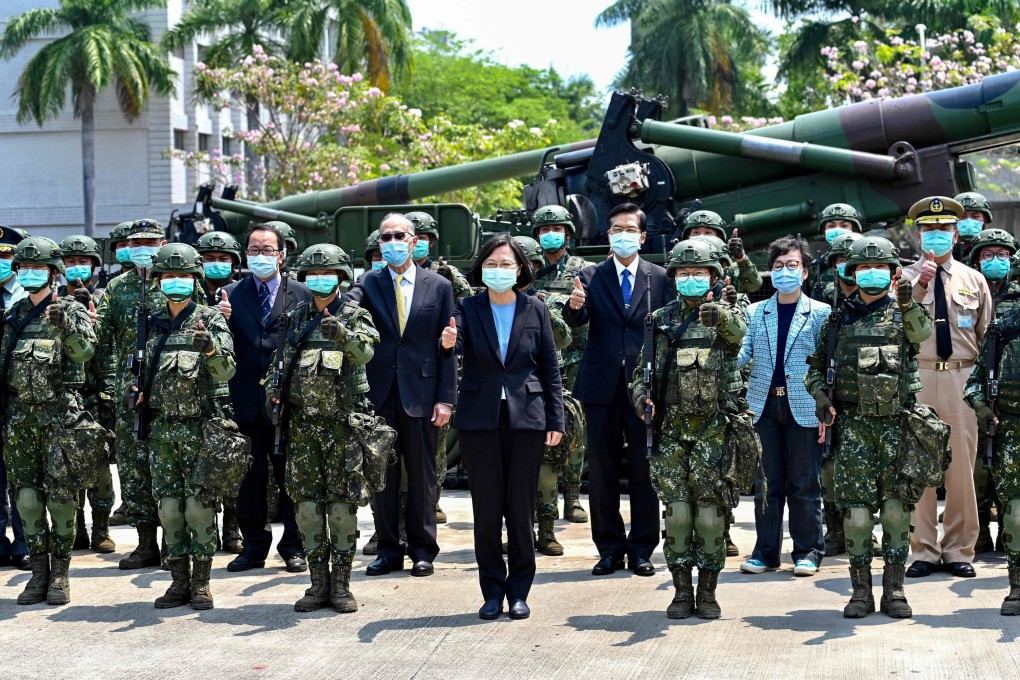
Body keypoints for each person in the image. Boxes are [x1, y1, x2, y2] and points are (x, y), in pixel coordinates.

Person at [806, 235, 937, 619]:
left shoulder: (905, 313)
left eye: (880, 267)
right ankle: (860, 592)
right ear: (853, 273)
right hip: (852, 430)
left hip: (897, 427)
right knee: (858, 517)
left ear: (894, 273)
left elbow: (921, 335)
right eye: (864, 267)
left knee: (897, 512)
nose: (872, 274)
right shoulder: (837, 320)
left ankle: (894, 590)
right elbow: (814, 369)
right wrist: (821, 398)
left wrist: (909, 301)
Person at [441, 233, 564, 620]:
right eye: (491, 264)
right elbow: (454, 345)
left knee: (521, 509)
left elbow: (550, 369)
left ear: (520, 269)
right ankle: (491, 591)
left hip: (527, 417)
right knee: (488, 511)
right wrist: (447, 343)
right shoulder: (467, 307)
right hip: (480, 420)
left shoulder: (535, 309)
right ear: (481, 268)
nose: (499, 270)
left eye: (506, 264)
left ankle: (519, 591)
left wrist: (555, 418)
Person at [630, 239, 748, 619]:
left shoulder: (726, 318)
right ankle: (682, 591)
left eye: (699, 273)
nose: (691, 279)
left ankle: (709, 592)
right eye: (684, 273)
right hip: (670, 433)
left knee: (710, 517)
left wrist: (722, 317)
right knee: (679, 515)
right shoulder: (659, 321)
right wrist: (640, 399)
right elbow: (639, 376)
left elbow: (739, 336)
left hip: (715, 431)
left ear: (713, 276)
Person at [344, 213, 457, 577]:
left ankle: (423, 550)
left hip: (423, 394)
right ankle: (389, 549)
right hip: (379, 395)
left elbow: (448, 346)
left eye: (399, 235)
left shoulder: (438, 286)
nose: (392, 241)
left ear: (413, 241)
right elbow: (346, 306)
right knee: (383, 477)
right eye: (385, 237)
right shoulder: (369, 282)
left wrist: (446, 398)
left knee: (423, 477)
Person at [127, 244, 236, 610]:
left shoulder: (209, 318)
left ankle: (202, 583)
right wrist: (135, 392)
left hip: (200, 430)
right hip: (161, 432)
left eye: (184, 276)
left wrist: (210, 350)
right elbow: (137, 373)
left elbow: (226, 372)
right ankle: (178, 581)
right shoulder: (150, 321)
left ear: (195, 279)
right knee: (170, 509)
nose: (177, 282)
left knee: (199, 508)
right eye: (169, 276)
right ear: (158, 281)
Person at [564, 202, 671, 577]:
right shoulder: (591, 275)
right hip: (600, 385)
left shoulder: (659, 277)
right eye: (615, 230)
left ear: (642, 236)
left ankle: (642, 548)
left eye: (629, 229)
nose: (621, 235)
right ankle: (608, 548)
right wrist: (574, 306)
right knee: (602, 470)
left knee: (644, 470)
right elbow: (576, 318)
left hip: (645, 387)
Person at [272, 244, 380, 613]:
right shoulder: (295, 316)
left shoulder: (355, 314)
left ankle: (342, 586)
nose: (320, 280)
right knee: (306, 510)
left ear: (341, 277)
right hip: (303, 428)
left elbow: (365, 353)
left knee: (340, 510)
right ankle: (318, 585)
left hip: (343, 427)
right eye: (314, 275)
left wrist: (343, 335)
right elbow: (280, 365)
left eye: (328, 274)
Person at [3, 237, 98, 605]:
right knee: (27, 499)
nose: (30, 274)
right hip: (20, 420)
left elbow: (85, 352)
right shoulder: (13, 317)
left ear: (54, 273)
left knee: (60, 499)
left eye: (37, 268)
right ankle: (37, 573)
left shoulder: (71, 310)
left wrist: (67, 328)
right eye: (24, 268)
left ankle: (60, 573)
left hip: (61, 418)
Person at [902, 196, 993, 579]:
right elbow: (900, 326)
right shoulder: (903, 278)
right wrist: (921, 284)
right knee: (917, 465)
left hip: (961, 376)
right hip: (918, 376)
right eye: (928, 230)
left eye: (943, 230)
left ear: (956, 235)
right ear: (918, 236)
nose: (936, 236)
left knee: (960, 470)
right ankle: (922, 549)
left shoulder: (974, 280)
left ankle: (959, 549)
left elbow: (986, 336)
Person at [738, 236, 830, 576]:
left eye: (792, 266)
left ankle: (808, 551)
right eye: (778, 266)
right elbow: (742, 355)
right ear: (770, 271)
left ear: (804, 273)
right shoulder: (754, 312)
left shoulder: (821, 313)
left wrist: (826, 409)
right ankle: (765, 553)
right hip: (763, 406)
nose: (785, 271)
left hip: (805, 406)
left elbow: (825, 364)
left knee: (805, 483)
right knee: (767, 483)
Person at [223, 222, 311, 574]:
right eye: (254, 250)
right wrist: (221, 321)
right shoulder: (231, 294)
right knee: (249, 480)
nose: (261, 256)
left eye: (268, 250)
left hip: (286, 400)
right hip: (243, 399)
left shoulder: (302, 294)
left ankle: (293, 546)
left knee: (291, 477)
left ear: (282, 254)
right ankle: (254, 547)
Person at [95, 218, 172, 570]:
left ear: (163, 243)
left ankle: (174, 541)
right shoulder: (117, 287)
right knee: (133, 468)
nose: (143, 248)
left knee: (170, 467)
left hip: (171, 389)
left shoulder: (176, 281)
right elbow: (102, 333)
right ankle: (145, 543)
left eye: (150, 242)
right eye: (136, 242)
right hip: (129, 389)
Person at [514, 235, 582, 556]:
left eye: (531, 266)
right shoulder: (491, 304)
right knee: (513, 473)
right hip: (508, 399)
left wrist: (544, 309)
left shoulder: (545, 302)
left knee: (545, 471)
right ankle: (519, 531)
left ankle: (547, 531)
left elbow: (564, 338)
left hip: (541, 396)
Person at [406, 211, 472, 525]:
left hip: (439, 361)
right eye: (412, 237)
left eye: (423, 238)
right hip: (405, 368)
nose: (417, 243)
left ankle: (433, 499)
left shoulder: (444, 275)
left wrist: (454, 277)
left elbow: (469, 306)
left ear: (431, 242)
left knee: (437, 443)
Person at [530, 205, 595, 523]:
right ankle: (544, 498)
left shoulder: (583, 270)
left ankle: (573, 496)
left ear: (568, 233)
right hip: (542, 361)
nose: (549, 235)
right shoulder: (531, 270)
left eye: (555, 229)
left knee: (575, 429)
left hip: (576, 358)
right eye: (543, 230)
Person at [59, 235, 117, 555]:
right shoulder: (53, 302)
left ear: (95, 265)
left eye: (83, 262)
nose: (77, 268)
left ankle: (101, 528)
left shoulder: (106, 299)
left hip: (99, 394)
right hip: (67, 394)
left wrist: (95, 321)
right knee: (69, 464)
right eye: (70, 262)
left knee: (99, 465)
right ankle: (77, 528)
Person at [965, 300, 1020, 615]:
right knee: (1014, 513)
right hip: (1010, 431)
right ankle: (1016, 588)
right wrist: (982, 407)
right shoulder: (1002, 329)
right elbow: (974, 383)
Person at [968, 228, 1018, 554]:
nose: (995, 261)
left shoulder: (1017, 296)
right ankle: (980, 529)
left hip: (1010, 390)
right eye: (988, 255)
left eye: (1002, 255)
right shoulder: (967, 288)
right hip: (973, 383)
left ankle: (1008, 531)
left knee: (1007, 464)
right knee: (978, 465)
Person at [195, 230, 244, 554]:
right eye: (209, 259)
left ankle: (233, 529)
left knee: (233, 462)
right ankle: (206, 531)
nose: (216, 264)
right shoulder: (190, 295)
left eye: (222, 259)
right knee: (203, 466)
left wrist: (231, 317)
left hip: (235, 389)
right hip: (199, 392)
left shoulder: (241, 294)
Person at [818, 231, 861, 555]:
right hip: (832, 396)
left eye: (852, 260)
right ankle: (834, 530)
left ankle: (861, 530)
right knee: (829, 467)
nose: (846, 267)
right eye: (841, 261)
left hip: (868, 395)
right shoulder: (824, 301)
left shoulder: (874, 298)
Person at [0, 226, 29, 570]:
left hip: (22, 399)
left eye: (7, 255)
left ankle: (24, 544)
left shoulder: (29, 294)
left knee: (22, 477)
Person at [681, 210, 761, 294]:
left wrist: (741, 258)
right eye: (696, 233)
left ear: (719, 236)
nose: (702, 237)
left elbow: (754, 286)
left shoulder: (729, 269)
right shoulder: (678, 267)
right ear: (688, 237)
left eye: (708, 232)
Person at [805, 204, 865, 300]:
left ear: (854, 230)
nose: (837, 229)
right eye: (831, 226)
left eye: (844, 225)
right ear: (824, 232)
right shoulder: (816, 267)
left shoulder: (868, 261)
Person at [952, 191, 992, 262]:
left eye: (975, 216)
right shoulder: (943, 252)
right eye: (962, 216)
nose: (969, 221)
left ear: (985, 221)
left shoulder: (994, 252)